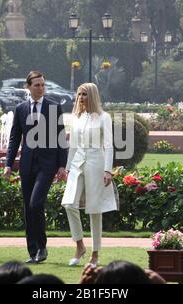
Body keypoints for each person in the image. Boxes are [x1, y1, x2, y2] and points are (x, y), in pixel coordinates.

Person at [4, 71, 67, 264]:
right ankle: (33, 251)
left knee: (35, 204)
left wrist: (62, 166)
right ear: (28, 87)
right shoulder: (20, 109)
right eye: (37, 85)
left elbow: (61, 139)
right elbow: (15, 138)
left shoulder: (54, 108)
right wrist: (8, 164)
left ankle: (42, 247)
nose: (40, 88)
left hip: (47, 165)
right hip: (27, 165)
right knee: (28, 208)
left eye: (42, 85)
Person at [61, 83, 118, 267]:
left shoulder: (104, 117)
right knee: (69, 203)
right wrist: (68, 167)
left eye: (84, 94)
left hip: (96, 162)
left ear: (92, 95)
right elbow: (73, 146)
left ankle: (95, 254)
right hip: (78, 161)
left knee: (94, 210)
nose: (81, 97)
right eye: (79, 94)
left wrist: (108, 170)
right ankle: (79, 245)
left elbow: (108, 145)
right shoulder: (76, 118)